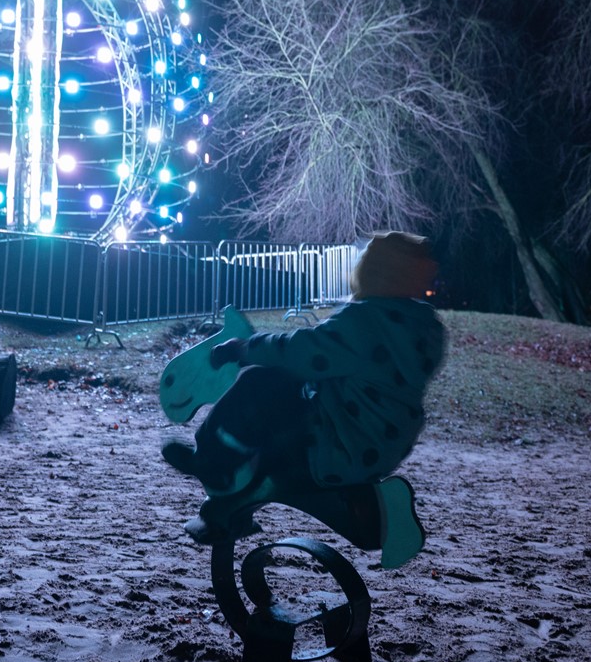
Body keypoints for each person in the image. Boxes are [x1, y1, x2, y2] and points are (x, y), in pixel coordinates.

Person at [162, 231, 446, 542]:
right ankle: (233, 501)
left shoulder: (365, 321)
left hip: (341, 439)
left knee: (259, 383)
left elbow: (303, 351)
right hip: (381, 445)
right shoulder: (425, 328)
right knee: (287, 399)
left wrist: (245, 349)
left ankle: (210, 460)